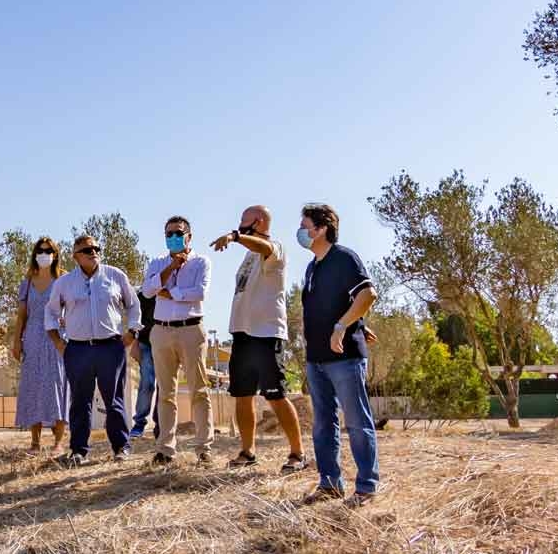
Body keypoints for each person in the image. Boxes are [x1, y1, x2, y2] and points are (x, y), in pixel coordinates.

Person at [211, 205, 306, 472]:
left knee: (275, 395)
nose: (239, 223)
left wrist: (235, 236)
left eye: (243, 220)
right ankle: (247, 451)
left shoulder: (274, 247)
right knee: (242, 395)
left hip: (266, 334)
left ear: (259, 221)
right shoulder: (248, 258)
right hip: (241, 334)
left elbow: (264, 248)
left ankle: (298, 454)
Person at [297, 203, 380, 505]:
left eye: (305, 226)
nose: (301, 232)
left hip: (344, 359)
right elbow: (334, 301)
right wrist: (358, 321)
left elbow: (367, 293)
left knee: (357, 422)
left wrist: (344, 326)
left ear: (321, 229)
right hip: (315, 358)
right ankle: (330, 483)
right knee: (323, 423)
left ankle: (367, 488)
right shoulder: (312, 267)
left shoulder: (345, 258)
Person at [43, 234, 140, 465]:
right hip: (77, 350)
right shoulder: (64, 283)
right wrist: (58, 342)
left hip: (111, 347)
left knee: (114, 400)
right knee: (79, 401)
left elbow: (133, 304)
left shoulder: (115, 275)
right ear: (75, 255)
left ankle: (121, 447)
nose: (93, 251)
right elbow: (51, 313)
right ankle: (79, 451)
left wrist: (132, 332)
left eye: (96, 247)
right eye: (87, 250)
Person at [141, 216, 214, 466]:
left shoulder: (201, 262)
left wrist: (170, 292)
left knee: (199, 391)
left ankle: (203, 448)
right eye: (168, 233)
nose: (173, 237)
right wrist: (171, 269)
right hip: (161, 331)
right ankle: (165, 449)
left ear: (189, 236)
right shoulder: (158, 263)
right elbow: (148, 290)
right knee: (165, 394)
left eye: (178, 233)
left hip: (191, 330)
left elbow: (199, 293)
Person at [9, 236, 70, 453]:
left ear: (55, 255)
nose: (44, 254)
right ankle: (34, 442)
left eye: (48, 251)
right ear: (35, 254)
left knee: (57, 384)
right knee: (33, 385)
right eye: (40, 250)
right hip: (33, 337)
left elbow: (72, 307)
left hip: (57, 338)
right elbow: (22, 315)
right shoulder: (27, 283)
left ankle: (58, 442)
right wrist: (16, 341)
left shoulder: (64, 279)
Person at [130, 267, 159, 443]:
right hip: (146, 344)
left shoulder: (167, 294)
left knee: (165, 386)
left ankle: (161, 425)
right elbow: (135, 322)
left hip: (165, 343)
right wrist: (134, 345)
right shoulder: (140, 296)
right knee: (147, 384)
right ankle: (139, 423)